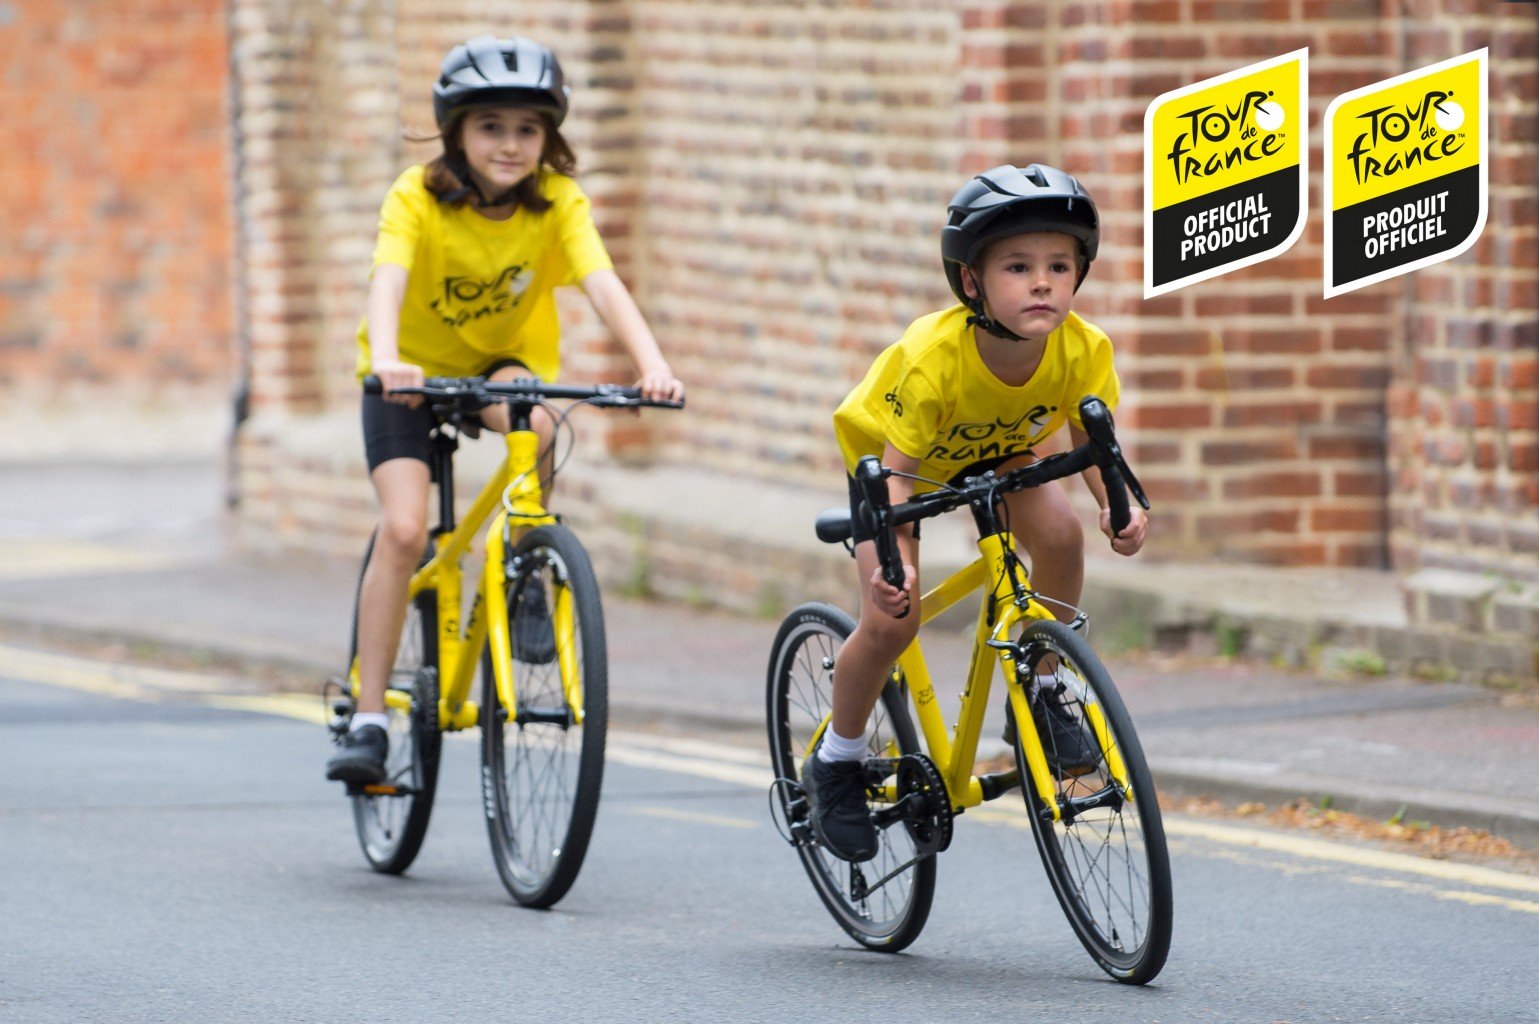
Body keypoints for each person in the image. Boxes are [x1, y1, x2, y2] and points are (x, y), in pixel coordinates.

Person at [327, 35, 684, 784]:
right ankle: (366, 717)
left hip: (498, 367)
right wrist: (390, 360)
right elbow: (386, 280)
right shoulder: (415, 196)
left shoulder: (557, 203)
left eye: (528, 129)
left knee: (546, 425)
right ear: (454, 131)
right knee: (402, 528)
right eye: (491, 126)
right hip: (408, 375)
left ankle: (525, 569)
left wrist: (651, 367)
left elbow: (602, 282)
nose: (511, 144)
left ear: (548, 138)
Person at [810, 163, 1148, 861]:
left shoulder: (1084, 349)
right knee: (892, 617)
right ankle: (837, 760)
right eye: (1018, 267)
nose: (1043, 282)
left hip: (1001, 452)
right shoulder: (934, 357)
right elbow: (897, 475)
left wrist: (1119, 508)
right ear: (972, 283)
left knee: (1058, 536)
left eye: (1059, 265)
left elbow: (1091, 440)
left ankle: (1043, 688)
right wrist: (894, 564)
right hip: (896, 470)